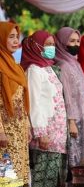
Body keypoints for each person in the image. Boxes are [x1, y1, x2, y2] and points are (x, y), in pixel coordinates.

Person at [21, 30, 68, 187]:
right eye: (47, 44)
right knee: (43, 180)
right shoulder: (34, 70)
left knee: (55, 180)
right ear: (36, 46)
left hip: (57, 137)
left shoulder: (48, 68)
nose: (51, 47)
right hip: (45, 137)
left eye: (53, 44)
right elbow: (33, 103)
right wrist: (41, 134)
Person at [54, 27, 84, 168]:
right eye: (71, 41)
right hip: (75, 121)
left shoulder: (75, 64)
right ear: (61, 43)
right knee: (76, 161)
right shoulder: (63, 65)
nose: (76, 44)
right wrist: (71, 121)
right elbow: (67, 94)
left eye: (78, 41)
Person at [0, 22, 30, 185]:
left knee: (20, 178)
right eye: (10, 37)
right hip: (4, 133)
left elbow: (22, 100)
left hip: (19, 131)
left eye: (16, 37)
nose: (15, 40)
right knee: (7, 179)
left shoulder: (17, 67)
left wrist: (27, 126)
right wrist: (0, 131)